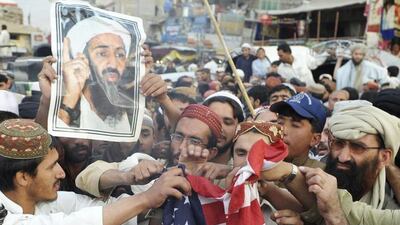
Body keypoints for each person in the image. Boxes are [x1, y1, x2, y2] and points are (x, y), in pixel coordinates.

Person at [0, 119, 191, 225]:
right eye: (51, 167)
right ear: (23, 177)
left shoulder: (55, 201)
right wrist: (146, 198)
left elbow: (109, 209)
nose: (62, 173)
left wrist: (136, 180)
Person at [56, 16, 136, 131]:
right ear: (81, 60)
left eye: (120, 55)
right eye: (102, 54)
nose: (113, 64)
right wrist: (70, 98)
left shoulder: (130, 113)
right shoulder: (58, 106)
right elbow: (53, 146)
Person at [270, 92, 327, 169]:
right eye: (280, 122)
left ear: (314, 139)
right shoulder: (257, 165)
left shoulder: (322, 175)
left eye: (295, 125)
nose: (283, 131)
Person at [203, 91, 245, 165]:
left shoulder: (243, 170)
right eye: (213, 120)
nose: (219, 128)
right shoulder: (184, 163)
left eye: (227, 122)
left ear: (239, 127)